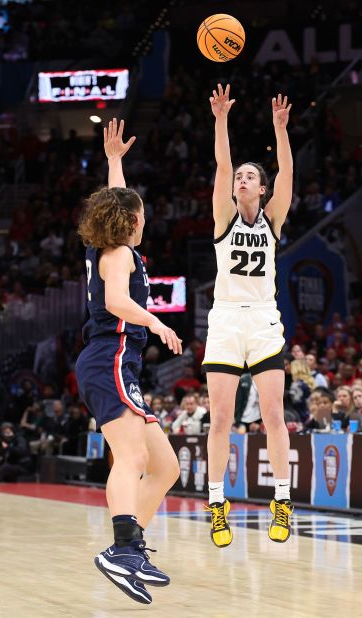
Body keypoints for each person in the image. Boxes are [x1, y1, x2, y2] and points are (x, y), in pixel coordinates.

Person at [74, 118, 181, 605]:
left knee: (166, 467)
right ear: (132, 222)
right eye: (140, 213)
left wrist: (115, 161)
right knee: (133, 458)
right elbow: (117, 301)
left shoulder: (111, 246)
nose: (144, 217)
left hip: (119, 362)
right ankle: (121, 548)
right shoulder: (117, 256)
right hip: (110, 355)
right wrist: (156, 322)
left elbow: (117, 201)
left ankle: (131, 547)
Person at [203, 84, 295, 547]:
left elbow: (288, 174)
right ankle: (217, 504)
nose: (241, 179)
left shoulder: (273, 218)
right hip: (224, 320)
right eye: (239, 175)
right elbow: (221, 165)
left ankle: (282, 500)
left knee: (272, 417)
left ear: (261, 188)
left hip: (262, 319)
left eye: (249, 176)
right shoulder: (224, 216)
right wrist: (220, 119)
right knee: (221, 420)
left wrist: (280, 131)